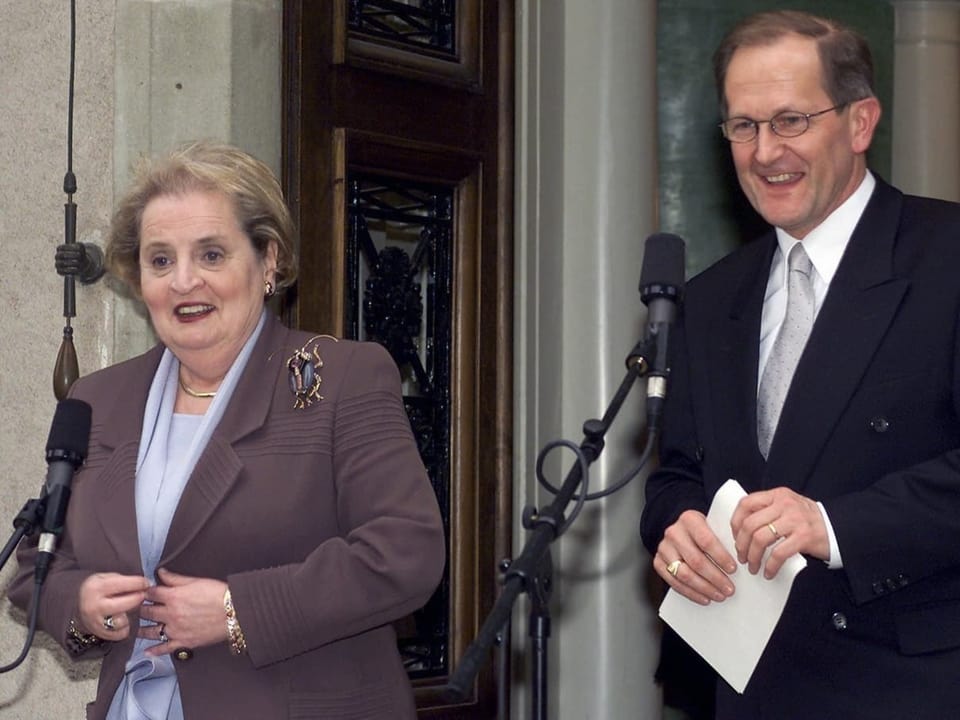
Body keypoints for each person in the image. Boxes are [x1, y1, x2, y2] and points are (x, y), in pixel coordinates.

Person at [9, 141, 446, 719]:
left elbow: (406, 553)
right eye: (160, 260)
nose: (184, 281)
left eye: (211, 254)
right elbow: (37, 564)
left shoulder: (342, 378)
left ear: (268, 262)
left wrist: (240, 609)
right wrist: (80, 603)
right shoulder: (99, 400)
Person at [640, 10, 960, 720]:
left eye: (789, 121)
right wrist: (678, 527)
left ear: (860, 122)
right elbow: (676, 474)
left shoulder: (947, 257)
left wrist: (836, 525)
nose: (763, 152)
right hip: (750, 686)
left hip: (912, 684)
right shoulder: (709, 297)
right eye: (743, 126)